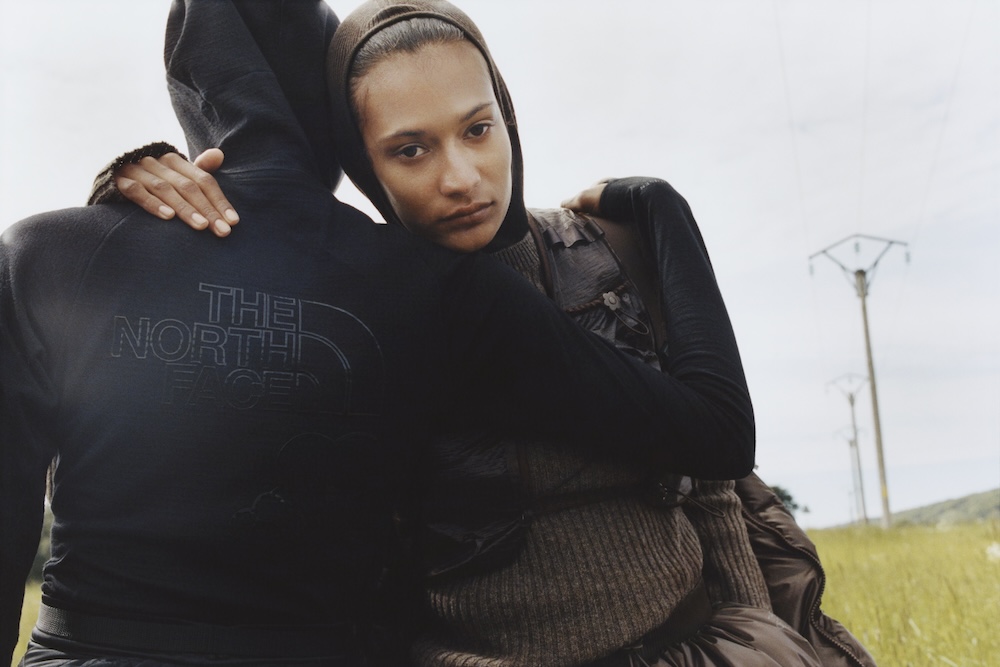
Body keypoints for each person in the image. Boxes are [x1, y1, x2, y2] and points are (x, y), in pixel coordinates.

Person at [92, 2, 875, 666]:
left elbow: (714, 488)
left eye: (476, 128)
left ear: (507, 115)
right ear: (362, 164)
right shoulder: (354, 317)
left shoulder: (607, 244)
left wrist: (759, 637)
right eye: (410, 149)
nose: (461, 177)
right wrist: (134, 196)